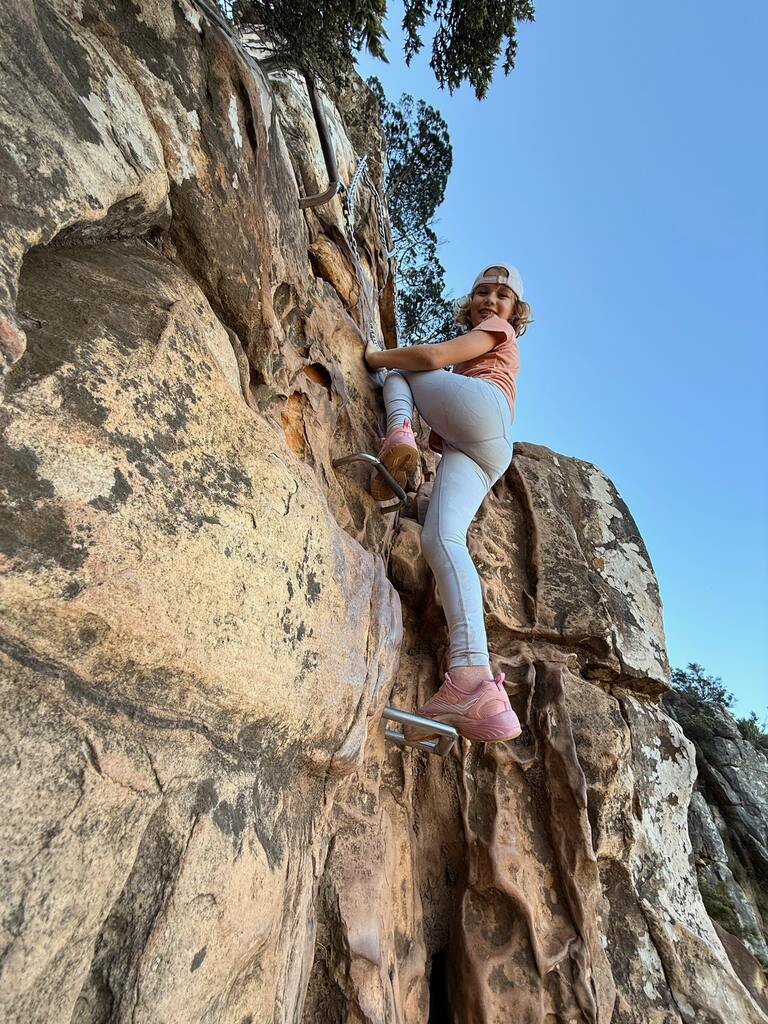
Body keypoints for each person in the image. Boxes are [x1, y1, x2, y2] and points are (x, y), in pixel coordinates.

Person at [364, 263, 532, 743]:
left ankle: (398, 429)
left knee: (405, 367)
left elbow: (434, 355)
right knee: (442, 539)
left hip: (483, 412)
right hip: (484, 448)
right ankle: (473, 679)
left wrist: (374, 358)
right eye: (482, 292)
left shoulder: (495, 330)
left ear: (513, 313)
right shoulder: (489, 332)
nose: (490, 301)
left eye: (502, 296)